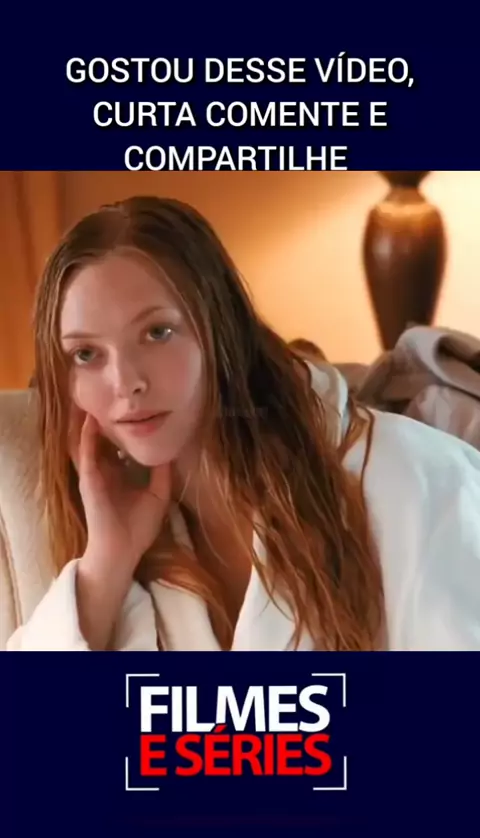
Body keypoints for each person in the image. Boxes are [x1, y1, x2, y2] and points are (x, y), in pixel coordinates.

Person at [7, 196, 480, 652]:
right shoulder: (115, 538)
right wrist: (107, 560)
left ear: (221, 329)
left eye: (157, 332)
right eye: (86, 354)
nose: (125, 382)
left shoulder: (414, 478)